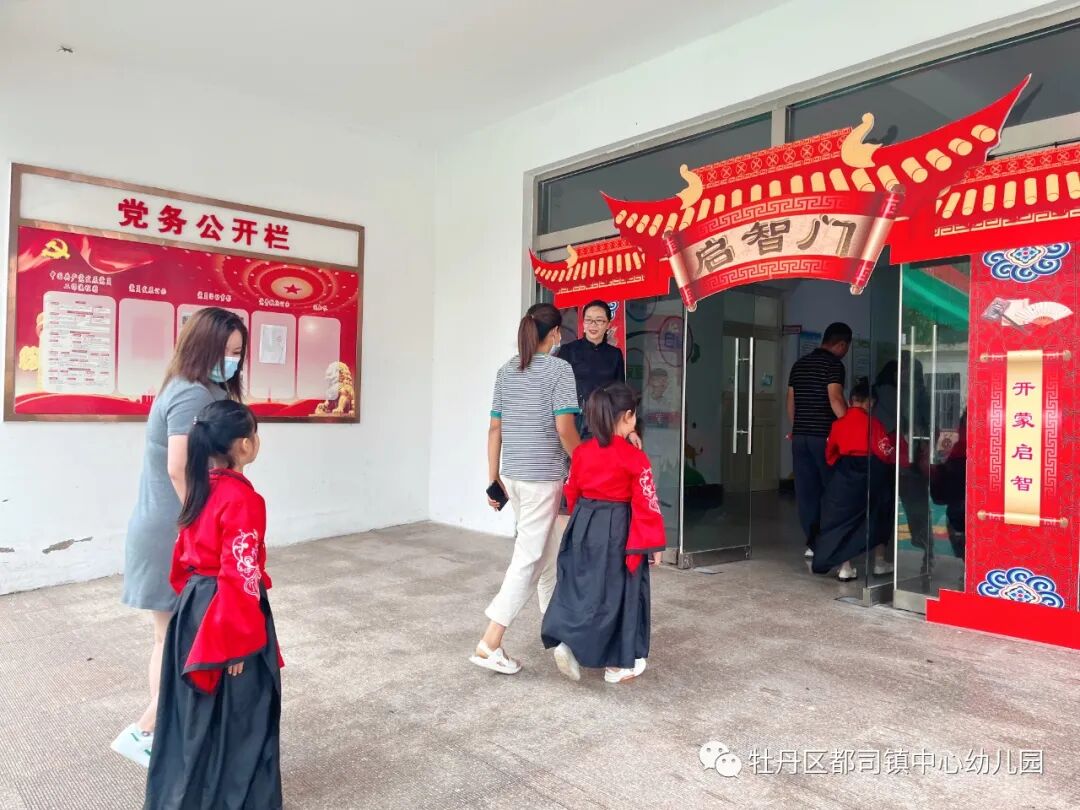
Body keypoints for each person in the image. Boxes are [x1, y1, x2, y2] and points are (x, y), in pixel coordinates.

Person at [113, 307, 248, 768]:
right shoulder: (190, 394)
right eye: (226, 351)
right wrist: (206, 525)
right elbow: (179, 468)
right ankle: (147, 731)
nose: (233, 361)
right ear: (202, 347)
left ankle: (164, 733)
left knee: (169, 637)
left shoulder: (203, 389)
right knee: (174, 637)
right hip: (172, 533)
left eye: (238, 352)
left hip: (175, 528)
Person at [145, 399, 282, 809]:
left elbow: (181, 559)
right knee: (240, 711)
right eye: (255, 433)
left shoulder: (201, 489)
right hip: (227, 614)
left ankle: (187, 792)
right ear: (244, 445)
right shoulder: (243, 499)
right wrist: (234, 642)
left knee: (195, 712)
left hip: (195, 607)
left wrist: (195, 607)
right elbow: (239, 573)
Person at [471, 303, 582, 675]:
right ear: (555, 333)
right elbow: (564, 428)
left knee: (546, 558)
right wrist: (585, 462)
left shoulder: (506, 370)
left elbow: (494, 428)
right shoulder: (559, 370)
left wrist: (494, 478)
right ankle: (490, 642)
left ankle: (559, 636)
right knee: (528, 559)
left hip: (515, 478)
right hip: (542, 479)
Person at [541, 383, 666, 684]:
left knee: (583, 588)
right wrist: (652, 544)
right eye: (634, 416)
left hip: (584, 524)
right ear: (627, 416)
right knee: (615, 596)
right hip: (618, 530)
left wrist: (578, 523)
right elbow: (646, 502)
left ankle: (570, 642)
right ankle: (616, 666)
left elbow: (572, 490)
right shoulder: (634, 457)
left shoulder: (583, 451)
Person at [812, 380, 902, 580]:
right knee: (880, 513)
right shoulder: (874, 423)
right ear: (870, 402)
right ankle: (879, 562)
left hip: (844, 474)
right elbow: (885, 452)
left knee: (843, 520)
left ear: (851, 400)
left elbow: (830, 455)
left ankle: (845, 567)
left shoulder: (838, 424)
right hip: (870, 473)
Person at [787, 322, 851, 557]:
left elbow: (791, 401)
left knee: (806, 494)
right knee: (832, 491)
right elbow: (835, 399)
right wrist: (849, 427)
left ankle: (813, 544)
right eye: (846, 347)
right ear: (841, 344)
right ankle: (830, 542)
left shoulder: (799, 364)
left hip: (800, 438)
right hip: (824, 438)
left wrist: (797, 428)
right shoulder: (834, 365)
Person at [873, 357, 933, 568]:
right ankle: (924, 549)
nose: (904, 375)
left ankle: (883, 555)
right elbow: (914, 422)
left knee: (887, 508)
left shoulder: (882, 393)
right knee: (914, 508)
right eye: (902, 370)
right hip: (902, 459)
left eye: (908, 370)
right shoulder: (897, 393)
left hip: (889, 459)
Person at [557, 300, 637, 445]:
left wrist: (630, 430)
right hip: (573, 422)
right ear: (583, 323)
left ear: (608, 324)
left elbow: (620, 393)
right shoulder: (568, 351)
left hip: (604, 422)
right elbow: (557, 390)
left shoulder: (614, 354)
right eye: (588, 320)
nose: (593, 325)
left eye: (599, 321)